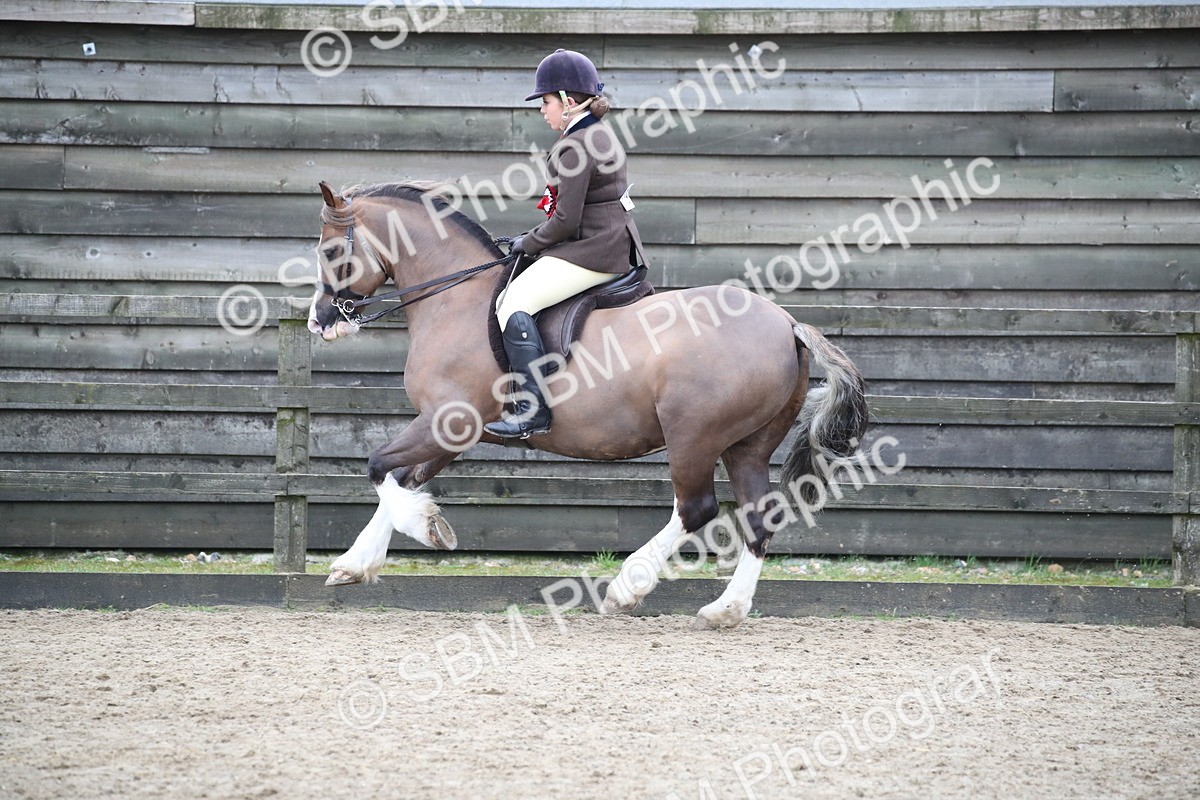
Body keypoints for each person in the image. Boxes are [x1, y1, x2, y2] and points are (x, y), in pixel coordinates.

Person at [484, 48, 647, 439]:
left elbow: (565, 221)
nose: (543, 110)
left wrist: (527, 242)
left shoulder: (574, 146)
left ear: (569, 102)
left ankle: (532, 410)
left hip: (593, 250)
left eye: (546, 102)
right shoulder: (598, 133)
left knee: (513, 302)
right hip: (613, 242)